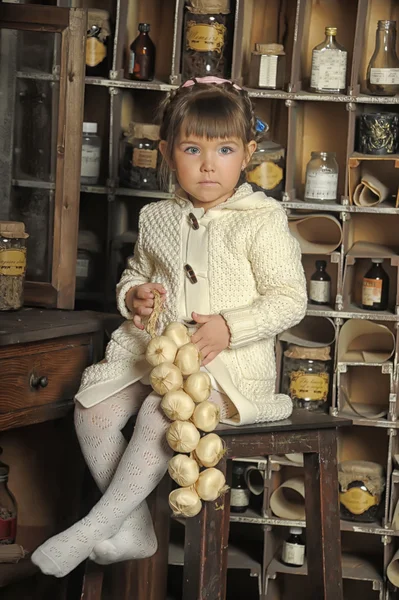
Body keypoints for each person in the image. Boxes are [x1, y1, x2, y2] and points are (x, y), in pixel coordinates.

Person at [32, 76, 307, 578]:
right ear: (166, 152)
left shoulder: (261, 219)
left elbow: (290, 300)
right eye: (191, 148)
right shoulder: (157, 216)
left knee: (164, 412)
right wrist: (134, 296)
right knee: (90, 410)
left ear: (246, 153)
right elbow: (139, 273)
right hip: (155, 355)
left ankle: (94, 526)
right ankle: (134, 528)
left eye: (224, 149)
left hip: (226, 367)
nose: (208, 164)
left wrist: (230, 325)